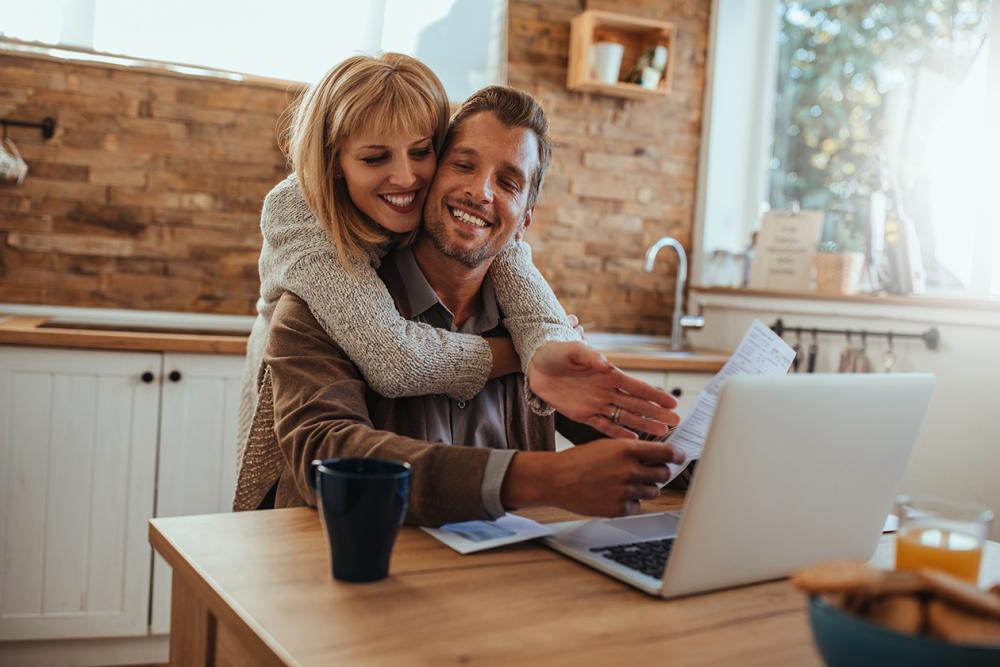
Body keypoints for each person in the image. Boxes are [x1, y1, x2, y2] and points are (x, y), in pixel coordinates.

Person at [234, 54, 678, 510]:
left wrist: (693, 452)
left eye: (508, 183)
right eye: (464, 165)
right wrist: (538, 463)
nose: (479, 192)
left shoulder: (524, 314)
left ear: (526, 220)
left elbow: (638, 437)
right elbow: (335, 446)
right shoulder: (319, 294)